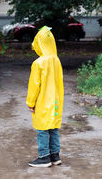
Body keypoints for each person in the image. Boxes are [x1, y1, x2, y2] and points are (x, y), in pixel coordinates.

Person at [26, 26, 64, 167]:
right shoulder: (56, 60)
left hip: (43, 101)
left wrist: (30, 102)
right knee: (53, 127)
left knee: (42, 129)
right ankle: (55, 155)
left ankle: (44, 157)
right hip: (56, 100)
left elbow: (34, 85)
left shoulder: (39, 63)